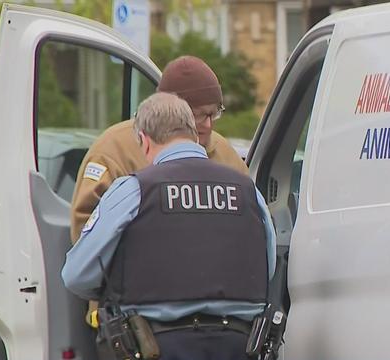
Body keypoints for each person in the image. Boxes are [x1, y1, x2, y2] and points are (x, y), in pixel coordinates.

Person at [62, 92, 275, 360]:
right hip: (238, 344)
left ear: (144, 140)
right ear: (194, 135)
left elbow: (77, 275)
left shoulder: (134, 189)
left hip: (154, 345)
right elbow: (268, 267)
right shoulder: (247, 190)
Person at [70, 55, 248, 243]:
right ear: (170, 111)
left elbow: (253, 216)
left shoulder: (225, 154)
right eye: (198, 115)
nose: (208, 125)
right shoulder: (115, 149)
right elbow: (85, 228)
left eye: (214, 113)